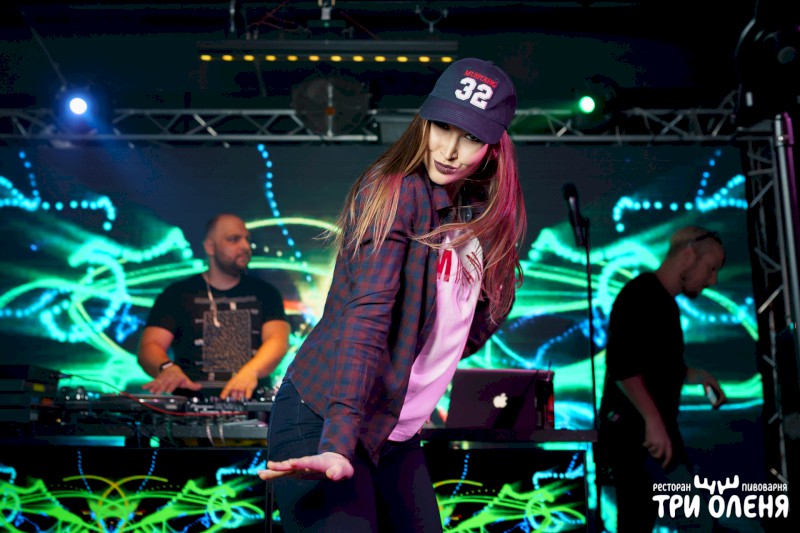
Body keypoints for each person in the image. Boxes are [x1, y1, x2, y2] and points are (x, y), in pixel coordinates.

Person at [257, 57, 526, 532]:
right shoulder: (398, 192)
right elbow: (366, 321)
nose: (449, 150)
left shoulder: (476, 217)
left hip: (393, 435)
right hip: (322, 418)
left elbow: (462, 330)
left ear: (493, 147)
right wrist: (337, 444)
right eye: (442, 126)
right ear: (425, 121)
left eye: (471, 137)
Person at [596, 226, 729, 532]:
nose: (713, 281)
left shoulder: (663, 303)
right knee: (688, 521)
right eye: (711, 268)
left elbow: (656, 367)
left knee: (673, 520)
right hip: (636, 438)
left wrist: (699, 376)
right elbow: (622, 366)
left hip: (651, 437)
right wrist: (653, 421)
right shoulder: (640, 295)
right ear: (688, 255)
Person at [137, 213, 290, 401]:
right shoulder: (177, 294)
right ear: (210, 247)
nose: (245, 246)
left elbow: (278, 340)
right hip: (190, 408)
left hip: (253, 407)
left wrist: (251, 371)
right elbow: (149, 346)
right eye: (234, 239)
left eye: (247, 239)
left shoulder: (266, 293)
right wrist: (167, 368)